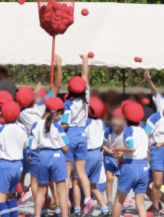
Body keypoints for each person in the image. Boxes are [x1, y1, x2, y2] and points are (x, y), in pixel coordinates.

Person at [61, 54, 97, 216]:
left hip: (69, 135)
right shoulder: (86, 100)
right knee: (81, 172)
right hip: (83, 135)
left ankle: (66, 200)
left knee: (68, 172)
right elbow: (85, 76)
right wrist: (85, 60)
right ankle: (88, 199)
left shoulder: (67, 104)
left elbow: (65, 123)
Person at [30, 97, 69, 217]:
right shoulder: (57, 127)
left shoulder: (35, 125)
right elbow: (66, 148)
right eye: (60, 114)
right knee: (62, 191)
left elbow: (32, 145)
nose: (60, 117)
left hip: (42, 156)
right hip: (57, 156)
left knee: (41, 191)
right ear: (56, 112)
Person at [0, 101, 28, 217]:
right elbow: (25, 147)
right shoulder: (22, 130)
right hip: (18, 166)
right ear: (18, 115)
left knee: (0, 198)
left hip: (4, 165)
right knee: (10, 196)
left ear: (2, 115)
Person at [112, 101, 148, 217]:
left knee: (118, 201)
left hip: (131, 167)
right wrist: (122, 157)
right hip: (143, 166)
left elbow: (131, 148)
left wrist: (117, 148)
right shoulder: (143, 131)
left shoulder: (129, 130)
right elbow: (140, 151)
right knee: (141, 203)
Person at [79, 97, 110, 217]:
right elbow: (104, 140)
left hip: (87, 153)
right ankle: (105, 209)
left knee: (79, 181)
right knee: (93, 186)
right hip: (98, 154)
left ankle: (85, 204)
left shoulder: (86, 123)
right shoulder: (101, 123)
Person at [102, 108, 125, 207]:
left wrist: (122, 153)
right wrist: (108, 151)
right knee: (109, 178)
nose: (115, 122)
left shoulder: (127, 132)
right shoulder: (108, 131)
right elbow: (103, 145)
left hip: (122, 157)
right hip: (109, 156)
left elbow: (130, 147)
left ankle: (119, 201)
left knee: (121, 179)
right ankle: (109, 201)